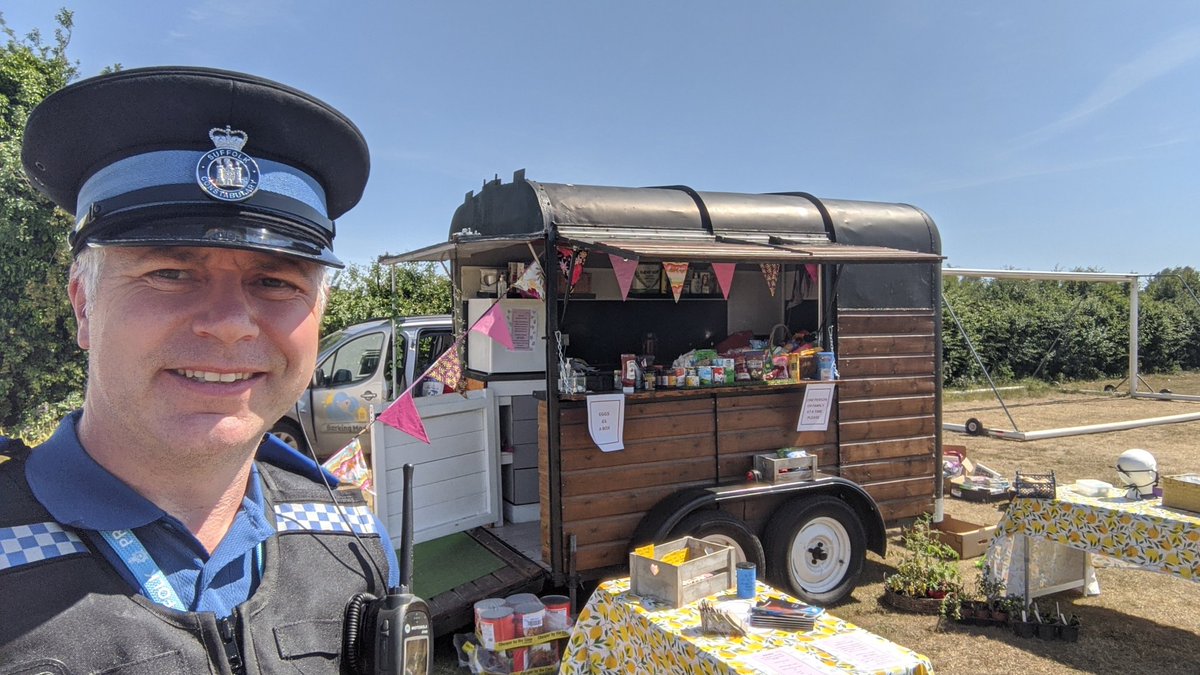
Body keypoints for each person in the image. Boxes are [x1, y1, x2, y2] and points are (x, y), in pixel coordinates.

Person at [1, 66, 398, 673]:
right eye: (170, 273)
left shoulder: (353, 540)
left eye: (275, 281)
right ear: (84, 304)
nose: (231, 323)